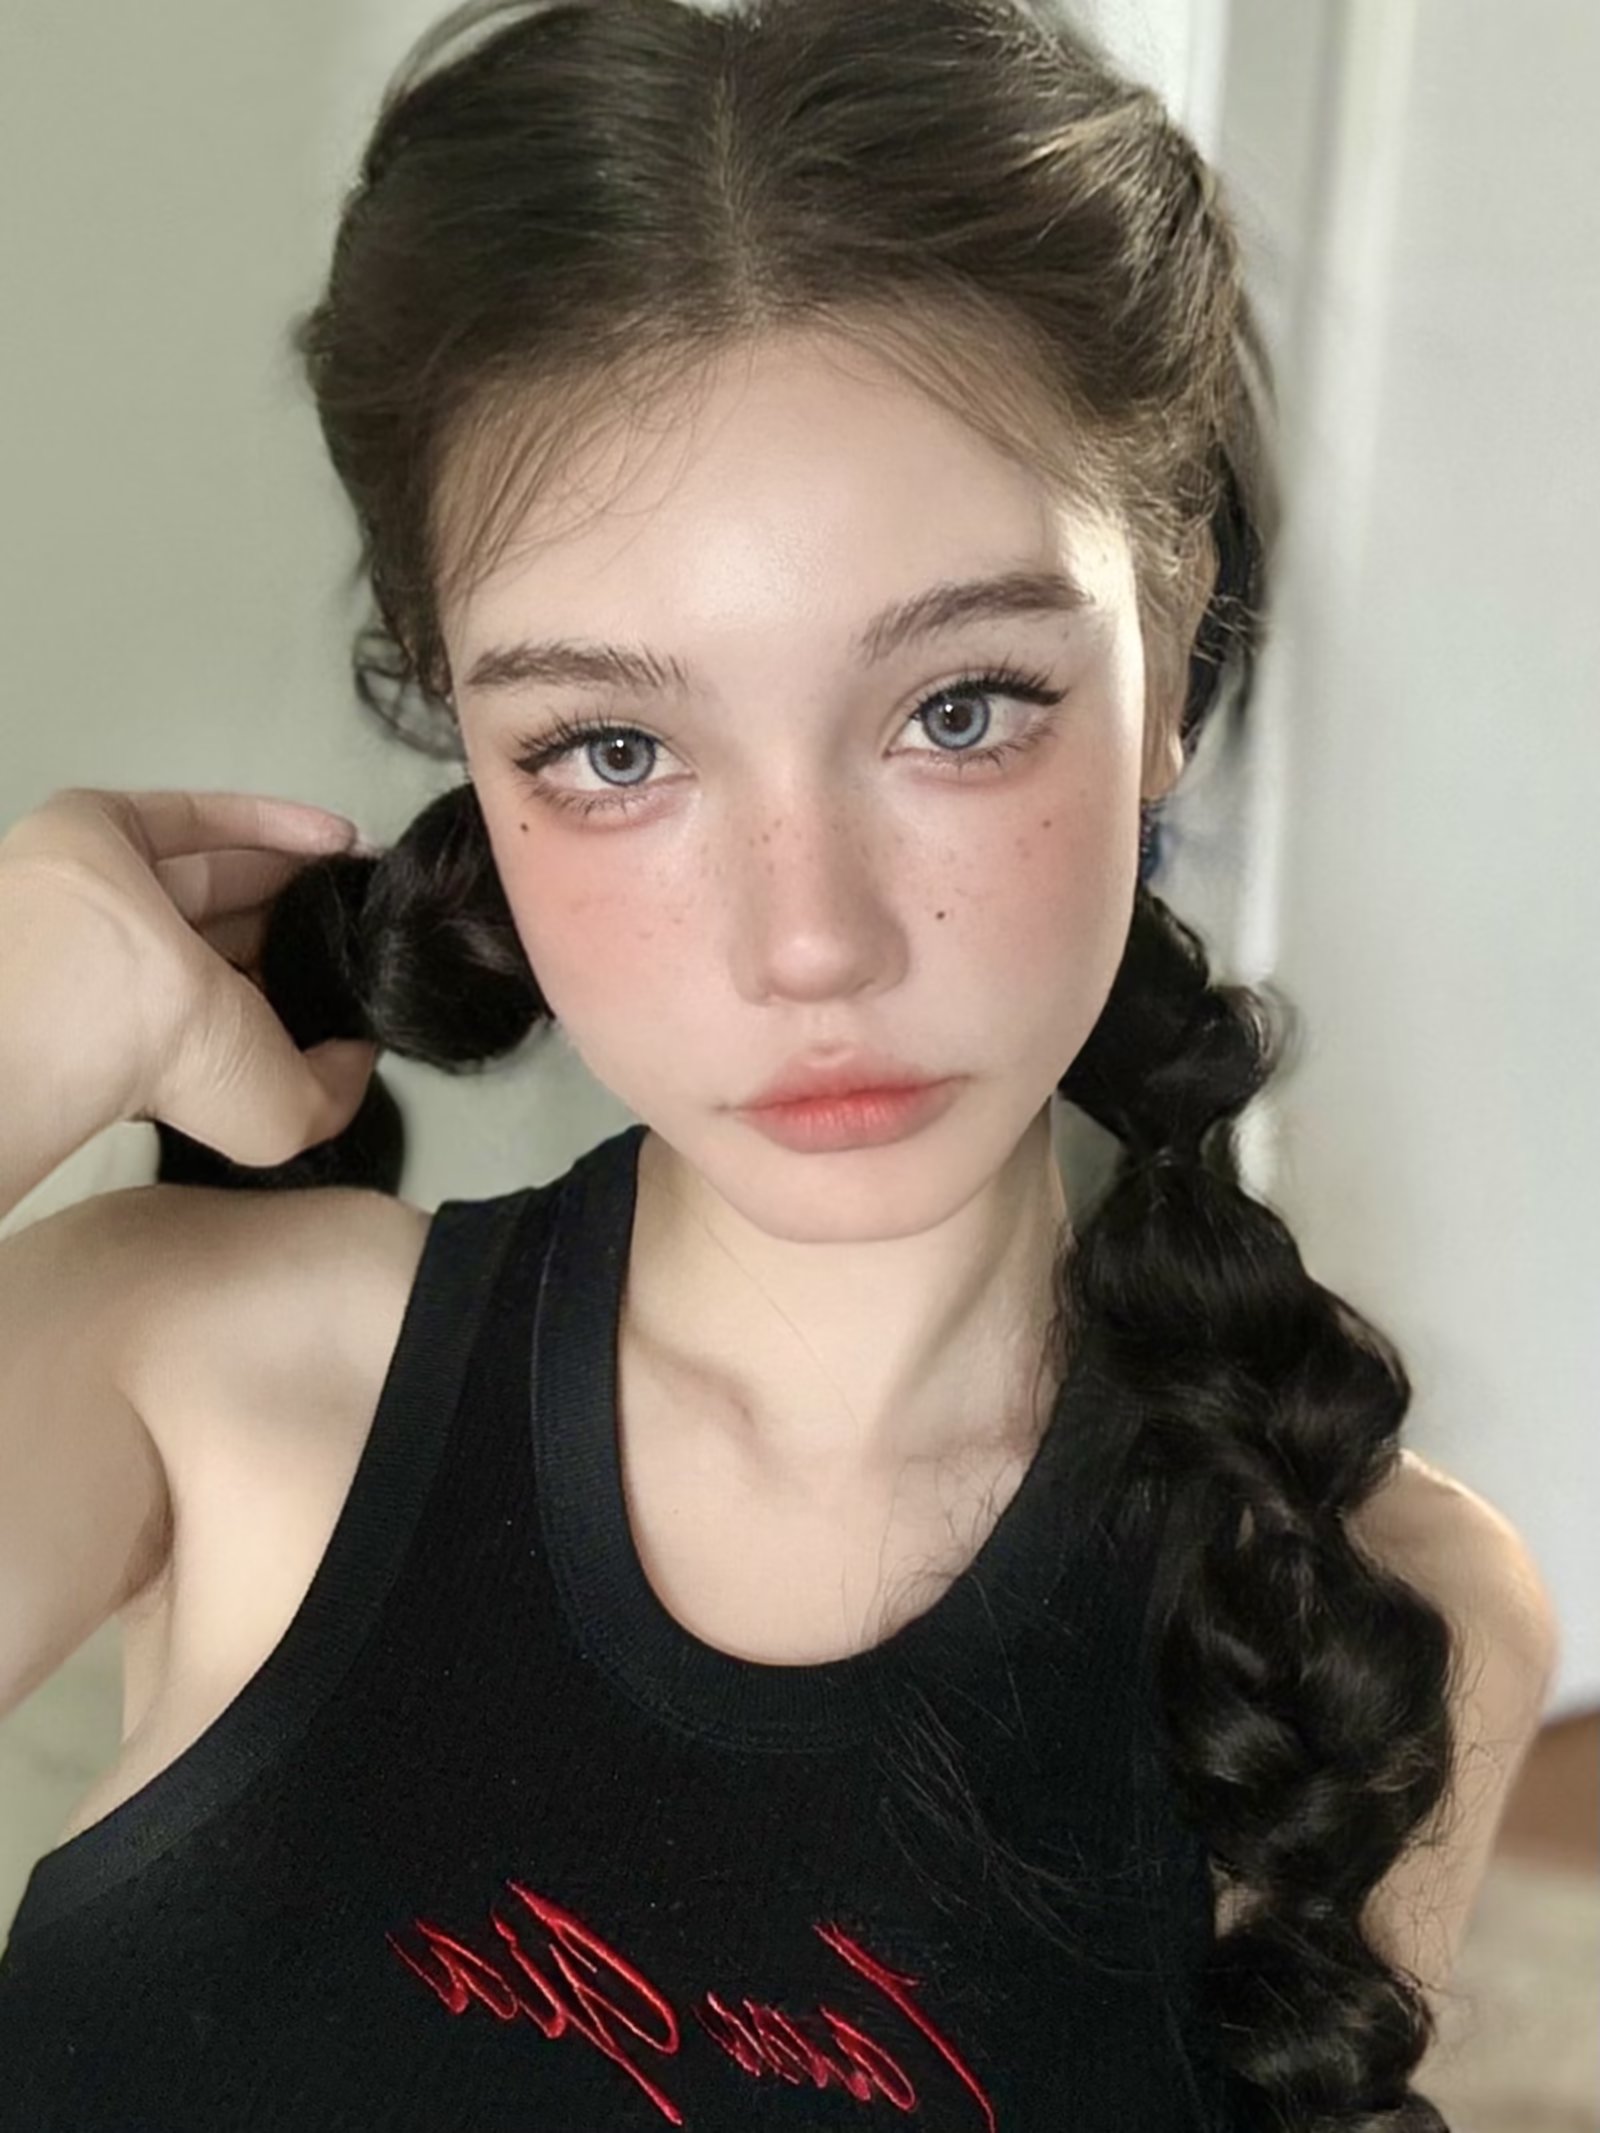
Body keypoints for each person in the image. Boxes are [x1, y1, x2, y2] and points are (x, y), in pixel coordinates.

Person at [0, 1, 1560, 2127]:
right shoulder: (182, 1363)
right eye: (613, 749)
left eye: (957, 708)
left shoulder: (1363, 1612)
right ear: (467, 735)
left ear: (1172, 651)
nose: (808, 939)